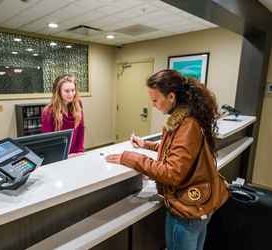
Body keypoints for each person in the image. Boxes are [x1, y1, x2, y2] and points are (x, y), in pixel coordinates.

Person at [106, 69, 227, 250]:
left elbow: (172, 173)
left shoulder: (187, 125)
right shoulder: (189, 117)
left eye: (155, 100)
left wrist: (129, 158)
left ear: (171, 97)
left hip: (186, 212)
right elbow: (179, 150)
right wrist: (146, 144)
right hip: (199, 206)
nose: (153, 105)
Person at [41, 74, 84, 156]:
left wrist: (80, 151)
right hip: (58, 156)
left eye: (73, 90)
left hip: (75, 154)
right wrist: (64, 156)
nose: (71, 94)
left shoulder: (78, 105)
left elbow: (81, 129)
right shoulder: (48, 112)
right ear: (58, 92)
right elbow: (48, 142)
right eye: (67, 91)